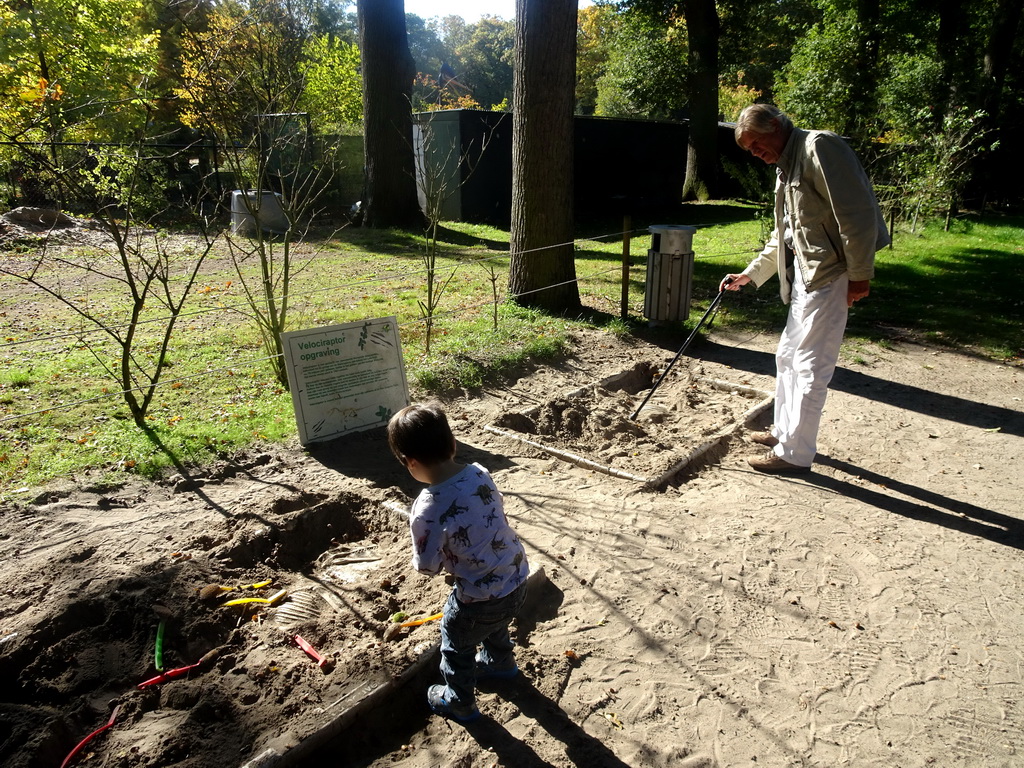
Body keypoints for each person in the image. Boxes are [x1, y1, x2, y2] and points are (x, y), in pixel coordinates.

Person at [721, 104, 890, 474]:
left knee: (811, 364)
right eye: (749, 150)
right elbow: (785, 233)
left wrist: (860, 275)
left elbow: (857, 215)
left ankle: (794, 454)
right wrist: (749, 274)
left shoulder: (820, 148)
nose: (756, 154)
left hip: (832, 274)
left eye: (756, 144)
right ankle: (782, 431)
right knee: (786, 356)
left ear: (777, 126)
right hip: (805, 273)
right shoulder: (785, 165)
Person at [387, 403, 529, 723]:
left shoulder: (427, 507)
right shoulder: (480, 472)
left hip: (477, 598)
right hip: (516, 574)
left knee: (455, 643)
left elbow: (427, 566)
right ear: (453, 444)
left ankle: (459, 700)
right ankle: (501, 663)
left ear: (410, 463)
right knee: (495, 620)